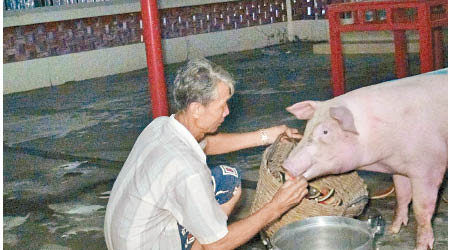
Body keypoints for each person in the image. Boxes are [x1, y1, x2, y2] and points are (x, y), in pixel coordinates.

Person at [104, 58, 309, 250]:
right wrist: (278, 205)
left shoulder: (161, 126)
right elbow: (218, 245)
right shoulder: (187, 169)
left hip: (125, 238)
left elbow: (206, 143)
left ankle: (206, 228)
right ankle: (207, 231)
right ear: (196, 109)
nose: (227, 112)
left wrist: (268, 135)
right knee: (221, 221)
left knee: (227, 179)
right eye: (221, 105)